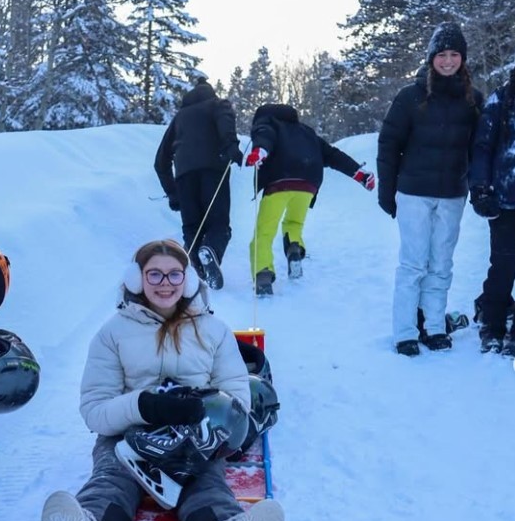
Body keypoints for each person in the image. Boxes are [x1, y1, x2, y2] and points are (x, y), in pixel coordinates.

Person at [41, 239, 284, 521]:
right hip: (127, 434)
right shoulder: (112, 334)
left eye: (174, 275)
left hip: (195, 437)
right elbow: (94, 410)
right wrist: (142, 405)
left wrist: (207, 415)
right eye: (154, 274)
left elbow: (238, 397)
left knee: (206, 483)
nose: (165, 283)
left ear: (187, 280)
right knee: (112, 479)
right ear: (136, 279)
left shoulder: (213, 331)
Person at [377, 22, 484, 356]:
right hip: (413, 193)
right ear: (431, 58)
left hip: (453, 194)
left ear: (462, 59)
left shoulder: (473, 100)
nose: (449, 61)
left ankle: (435, 327)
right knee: (413, 264)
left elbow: (477, 150)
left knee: (441, 264)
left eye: (455, 55)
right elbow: (389, 144)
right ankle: (406, 332)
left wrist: (477, 186)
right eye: (442, 55)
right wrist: (387, 189)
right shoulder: (411, 96)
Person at [245, 103, 375, 295]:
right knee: (294, 223)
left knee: (264, 233)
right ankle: (294, 249)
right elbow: (332, 154)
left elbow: (265, 136)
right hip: (308, 183)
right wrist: (359, 173)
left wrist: (260, 151)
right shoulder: (306, 132)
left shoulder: (267, 122)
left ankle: (263, 273)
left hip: (279, 181)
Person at [154, 78, 243, 291]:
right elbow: (225, 118)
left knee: (192, 227)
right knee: (218, 223)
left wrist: (173, 194)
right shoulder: (217, 104)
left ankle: (196, 272)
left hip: (184, 177)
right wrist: (230, 145)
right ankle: (209, 251)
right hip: (213, 170)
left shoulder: (179, 118)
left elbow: (160, 162)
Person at [469, 67, 515, 355]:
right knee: (503, 267)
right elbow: (482, 148)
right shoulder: (500, 102)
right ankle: (493, 326)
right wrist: (481, 188)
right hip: (505, 200)